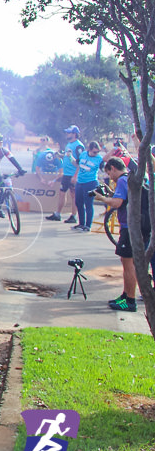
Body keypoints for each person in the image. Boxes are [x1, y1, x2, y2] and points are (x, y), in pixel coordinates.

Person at [96, 157, 149, 312]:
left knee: (128, 265)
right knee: (126, 262)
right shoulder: (131, 177)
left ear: (113, 168)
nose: (110, 177)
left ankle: (130, 301)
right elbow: (124, 199)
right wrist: (110, 193)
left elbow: (117, 203)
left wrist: (102, 198)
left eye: (109, 173)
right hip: (136, 226)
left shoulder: (122, 180)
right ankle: (126, 295)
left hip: (130, 227)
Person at [46, 125, 85, 223]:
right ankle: (57, 214)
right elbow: (67, 156)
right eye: (67, 132)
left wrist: (76, 175)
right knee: (62, 193)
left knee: (74, 195)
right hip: (66, 173)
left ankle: (73, 216)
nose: (67, 134)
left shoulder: (79, 146)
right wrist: (60, 155)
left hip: (73, 174)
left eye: (69, 133)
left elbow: (81, 161)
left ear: (74, 134)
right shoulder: (69, 144)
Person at [72, 141, 103, 232]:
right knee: (78, 202)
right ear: (89, 150)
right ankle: (81, 223)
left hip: (91, 182)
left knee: (88, 204)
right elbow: (77, 164)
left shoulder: (99, 158)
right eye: (94, 152)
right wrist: (69, 157)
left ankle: (88, 225)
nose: (96, 154)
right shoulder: (83, 154)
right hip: (80, 182)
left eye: (97, 152)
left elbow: (104, 169)